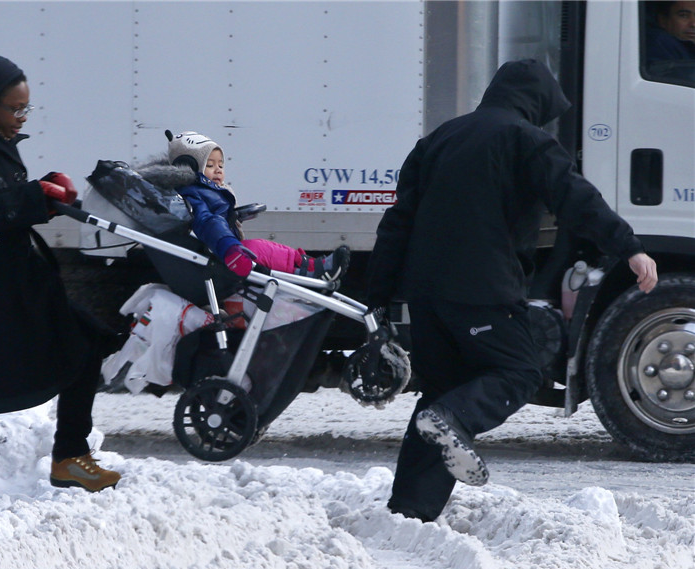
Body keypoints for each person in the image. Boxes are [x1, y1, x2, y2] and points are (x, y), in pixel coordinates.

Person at [365, 59, 658, 523]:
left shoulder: (439, 139)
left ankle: (410, 513)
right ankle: (454, 423)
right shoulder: (528, 140)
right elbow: (576, 198)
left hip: (425, 293)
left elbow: (398, 222)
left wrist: (377, 296)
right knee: (518, 370)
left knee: (443, 392)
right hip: (482, 287)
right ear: (536, 100)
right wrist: (629, 248)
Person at [0, 52, 120, 510]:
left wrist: (45, 191)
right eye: (14, 108)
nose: (20, 117)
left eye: (25, 108)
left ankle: (70, 455)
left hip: (10, 287)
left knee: (85, 342)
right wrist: (36, 196)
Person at [164, 131, 350, 282]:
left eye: (221, 164)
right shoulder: (193, 195)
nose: (219, 169)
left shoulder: (204, 191)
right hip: (219, 256)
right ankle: (310, 272)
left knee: (265, 247)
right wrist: (228, 246)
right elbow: (207, 222)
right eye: (210, 165)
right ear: (188, 167)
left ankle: (310, 265)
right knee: (259, 249)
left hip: (218, 253)